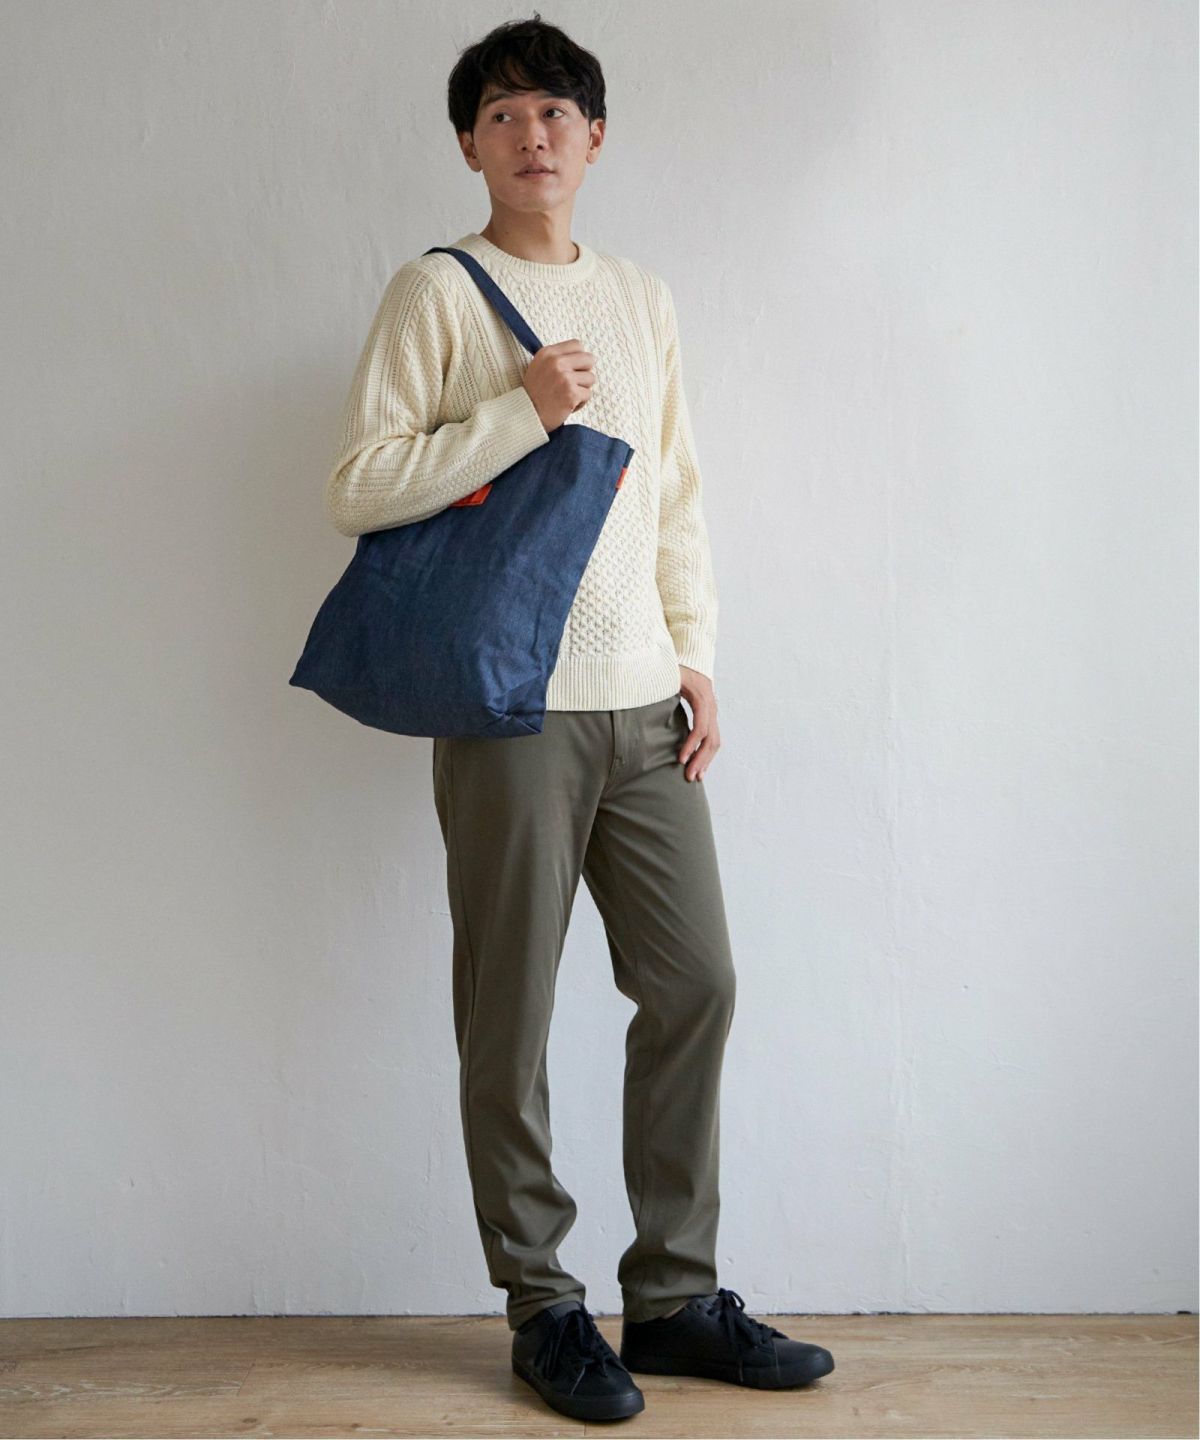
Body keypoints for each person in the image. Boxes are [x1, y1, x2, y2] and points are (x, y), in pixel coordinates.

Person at [325, 12, 835, 1422]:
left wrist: (696, 653)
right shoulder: (437, 293)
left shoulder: (642, 297)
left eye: (554, 110)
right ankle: (543, 1307)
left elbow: (674, 490)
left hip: (644, 705)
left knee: (697, 982)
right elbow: (358, 483)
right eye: (501, 113)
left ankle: (670, 1297)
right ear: (469, 144)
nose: (531, 133)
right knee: (512, 1013)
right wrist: (521, 414)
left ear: (595, 137)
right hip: (511, 709)